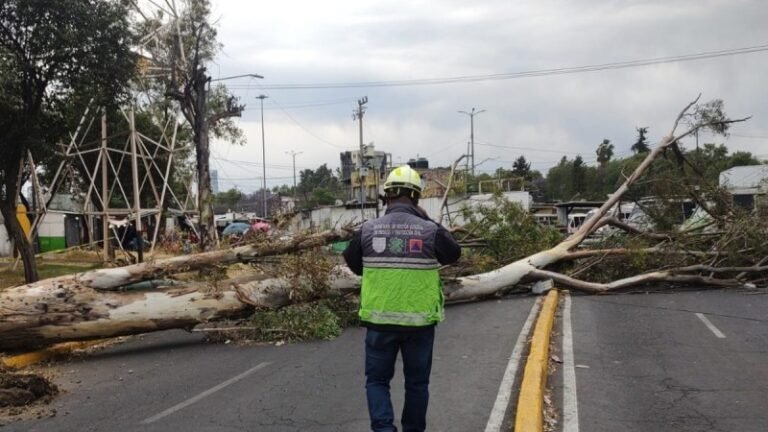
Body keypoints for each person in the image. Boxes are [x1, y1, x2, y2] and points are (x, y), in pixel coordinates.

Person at [343, 165, 461, 432]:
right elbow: (453, 253)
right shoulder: (429, 230)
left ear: (386, 197)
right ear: (416, 197)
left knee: (377, 382)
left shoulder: (368, 230)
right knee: (417, 384)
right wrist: (429, 220)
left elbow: (355, 265)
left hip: (379, 321)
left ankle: (384, 429)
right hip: (419, 324)